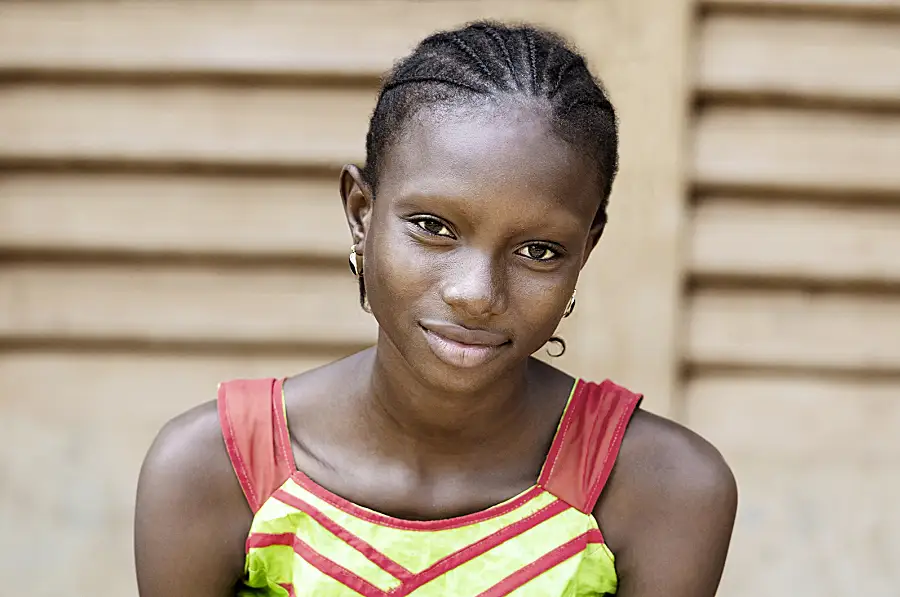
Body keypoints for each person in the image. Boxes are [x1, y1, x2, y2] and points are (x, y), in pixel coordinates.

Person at [135, 21, 737, 597]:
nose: (476, 293)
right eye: (432, 226)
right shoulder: (218, 467)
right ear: (361, 212)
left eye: (538, 250)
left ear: (586, 250)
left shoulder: (660, 487)